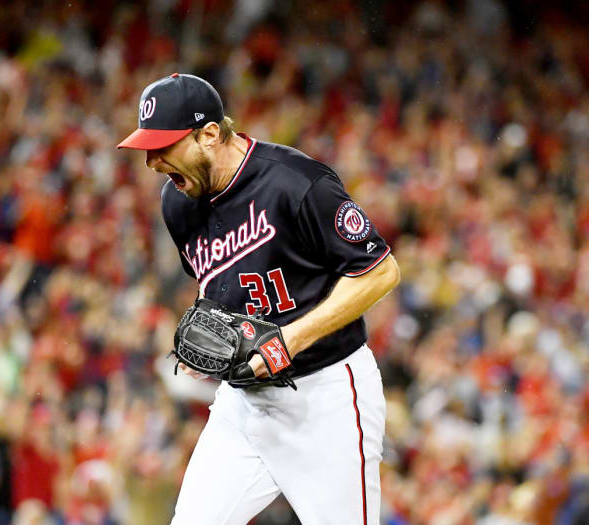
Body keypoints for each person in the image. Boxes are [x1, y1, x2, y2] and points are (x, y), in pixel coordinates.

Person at [118, 73, 400, 525]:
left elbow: (380, 272)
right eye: (147, 149)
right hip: (243, 404)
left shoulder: (297, 182)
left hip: (325, 398)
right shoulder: (177, 202)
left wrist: (289, 339)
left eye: (163, 147)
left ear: (209, 134)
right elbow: (219, 284)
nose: (152, 162)